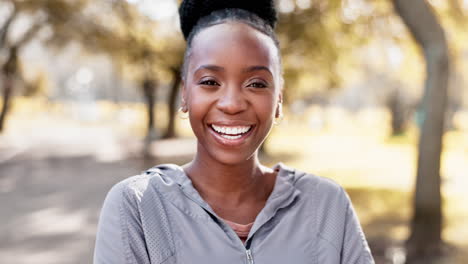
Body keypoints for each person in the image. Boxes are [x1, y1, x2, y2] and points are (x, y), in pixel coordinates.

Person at [93, 0, 374, 263]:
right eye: (210, 81)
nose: (232, 104)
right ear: (184, 95)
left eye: (256, 84)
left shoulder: (326, 206)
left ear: (278, 100)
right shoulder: (139, 207)